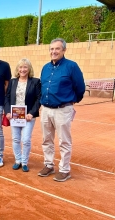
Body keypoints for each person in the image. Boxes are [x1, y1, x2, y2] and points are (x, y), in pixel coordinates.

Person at [38, 38, 85, 182]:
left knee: (64, 141)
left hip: (62, 109)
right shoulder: (45, 67)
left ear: (64, 50)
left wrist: (71, 101)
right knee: (46, 140)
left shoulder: (71, 66)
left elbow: (80, 87)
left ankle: (65, 170)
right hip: (46, 109)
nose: (54, 51)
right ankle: (49, 165)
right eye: (51, 49)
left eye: (57, 49)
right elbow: (42, 86)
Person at [4, 58, 41, 172]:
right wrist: (7, 112)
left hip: (28, 117)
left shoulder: (35, 81)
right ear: (17, 69)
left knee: (25, 140)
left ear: (29, 69)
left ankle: (24, 162)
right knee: (15, 139)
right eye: (20, 67)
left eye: (25, 67)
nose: (23, 69)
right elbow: (7, 97)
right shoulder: (13, 82)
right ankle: (18, 160)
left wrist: (31, 113)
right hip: (14, 116)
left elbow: (39, 98)